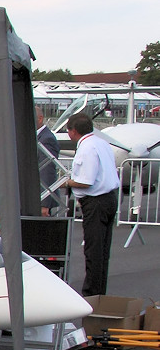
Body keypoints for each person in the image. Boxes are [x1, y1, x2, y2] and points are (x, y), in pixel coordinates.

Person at [64, 112, 121, 297]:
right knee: (103, 250)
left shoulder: (87, 148)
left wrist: (68, 182)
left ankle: (92, 294)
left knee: (93, 250)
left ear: (73, 131)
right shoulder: (101, 143)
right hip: (109, 198)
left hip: (96, 202)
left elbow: (86, 181)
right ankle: (99, 292)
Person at [36, 108, 61, 216]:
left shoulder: (46, 139)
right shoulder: (39, 137)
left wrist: (44, 204)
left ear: (40, 118)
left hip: (39, 199)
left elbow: (47, 171)